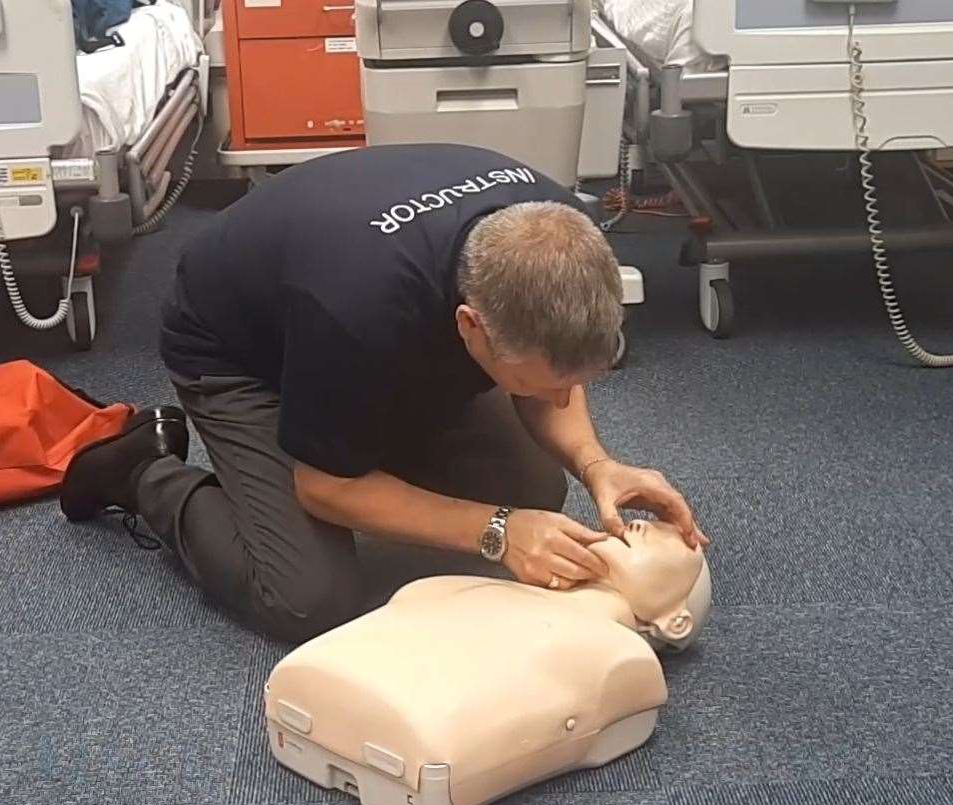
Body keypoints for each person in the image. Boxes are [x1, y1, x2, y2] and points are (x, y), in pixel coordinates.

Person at [60, 143, 708, 643]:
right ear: (469, 327)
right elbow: (325, 488)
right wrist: (495, 533)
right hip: (238, 351)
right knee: (309, 597)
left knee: (531, 487)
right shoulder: (356, 308)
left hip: (362, 326)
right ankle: (143, 470)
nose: (564, 394)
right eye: (540, 382)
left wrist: (596, 464)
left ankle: (355, 434)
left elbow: (552, 376)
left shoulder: (555, 231)